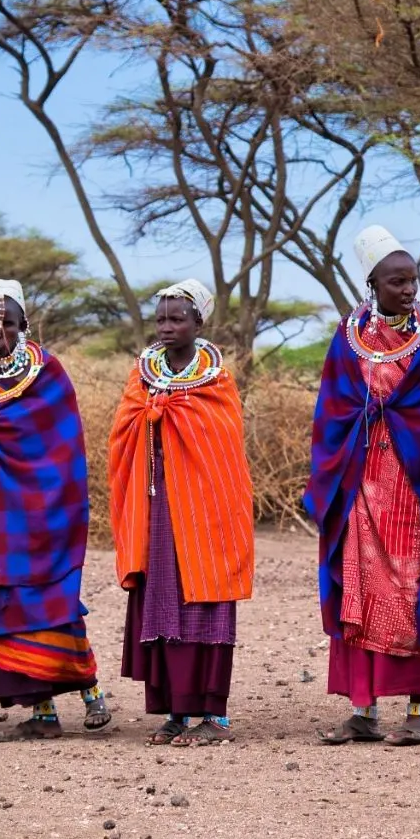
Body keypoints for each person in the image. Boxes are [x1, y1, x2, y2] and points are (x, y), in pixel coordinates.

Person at [308, 226, 420, 747]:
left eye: (412, 280)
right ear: (372, 283)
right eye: (396, 282)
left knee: (409, 586)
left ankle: (418, 709)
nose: (408, 290)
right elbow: (331, 406)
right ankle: (363, 709)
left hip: (412, 481)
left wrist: (390, 414)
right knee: (359, 588)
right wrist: (359, 422)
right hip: (356, 479)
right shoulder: (348, 335)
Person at [107, 279, 255, 746]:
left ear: (199, 323)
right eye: (161, 319)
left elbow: (222, 441)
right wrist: (152, 412)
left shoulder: (217, 379)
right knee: (161, 599)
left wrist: (170, 413)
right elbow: (124, 430)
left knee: (205, 600)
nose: (167, 327)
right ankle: (173, 711)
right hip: (155, 505)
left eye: (177, 319)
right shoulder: (142, 375)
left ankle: (214, 714)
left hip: (207, 508)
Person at [0, 279, 111, 739]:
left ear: (25, 325)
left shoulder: (48, 373)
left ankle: (91, 691)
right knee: (6, 602)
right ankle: (41, 709)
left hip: (44, 507)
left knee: (53, 599)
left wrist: (45, 496)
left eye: (7, 323)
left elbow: (62, 446)